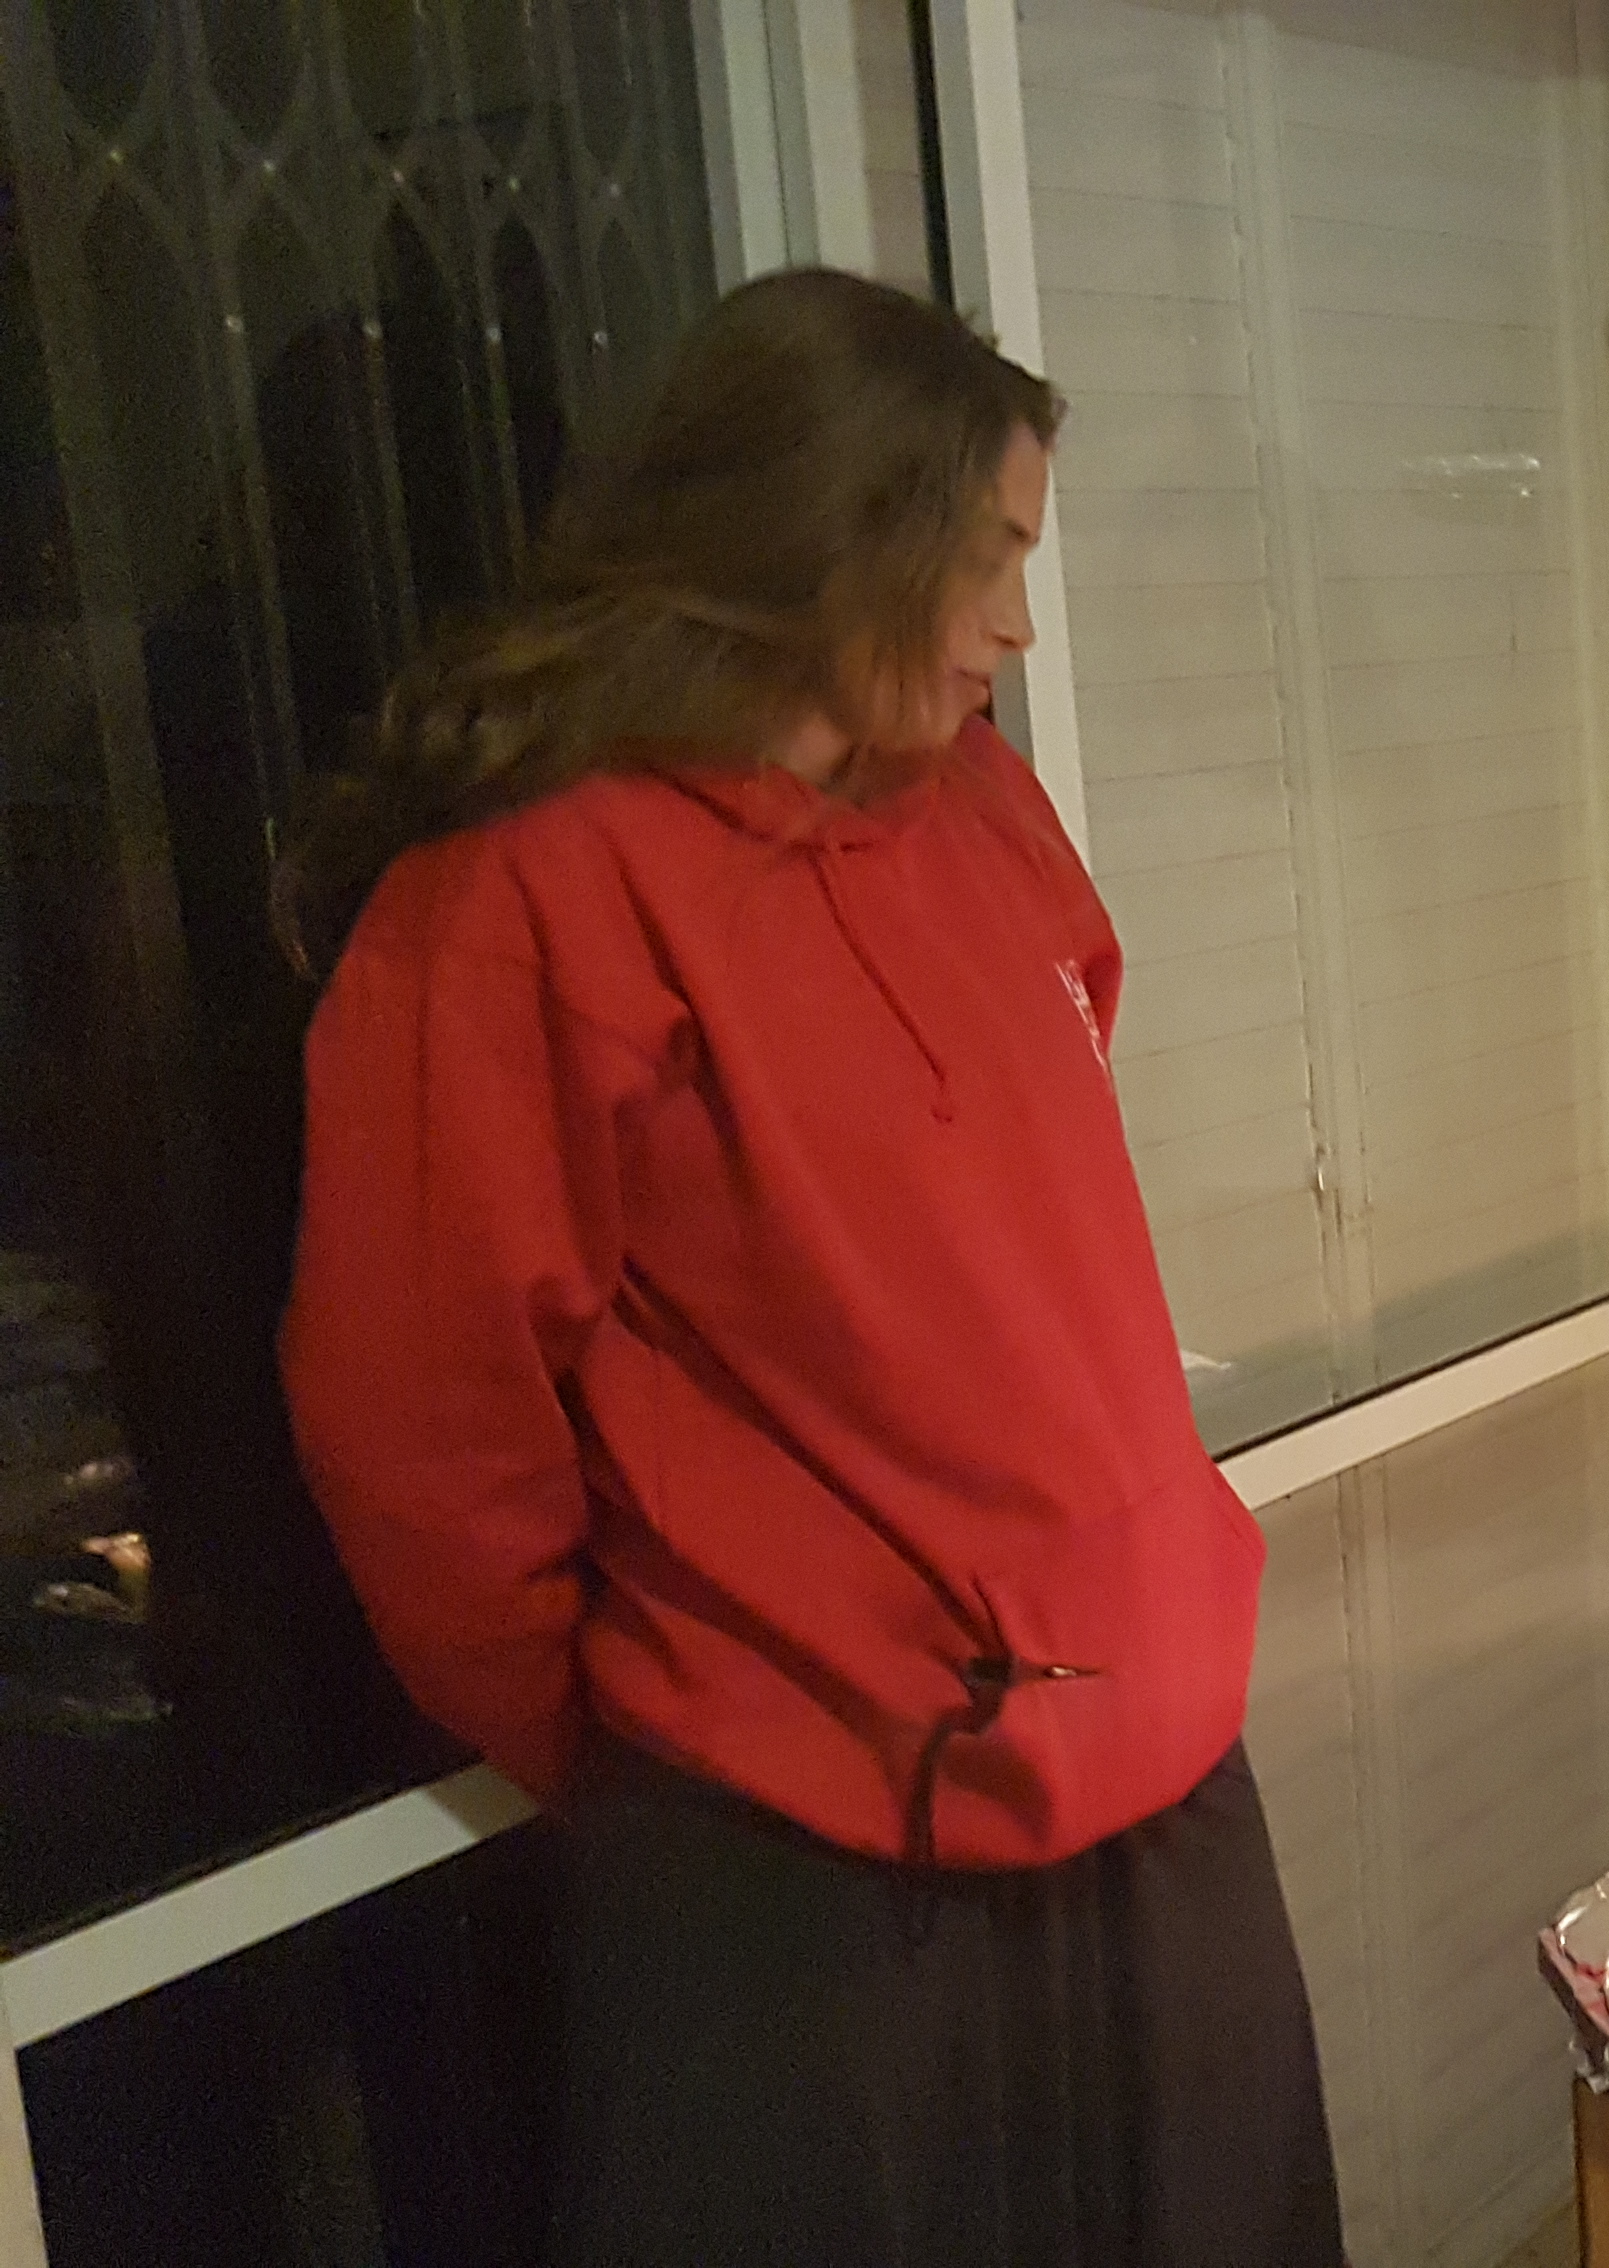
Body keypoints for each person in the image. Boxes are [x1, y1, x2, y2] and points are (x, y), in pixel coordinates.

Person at [275, 269, 1345, 2268]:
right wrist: (698, 1714)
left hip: (1156, 1793)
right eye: (989, 558)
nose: (1019, 624)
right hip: (820, 1887)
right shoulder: (525, 900)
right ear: (831, 536)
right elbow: (421, 1435)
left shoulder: (986, 810)